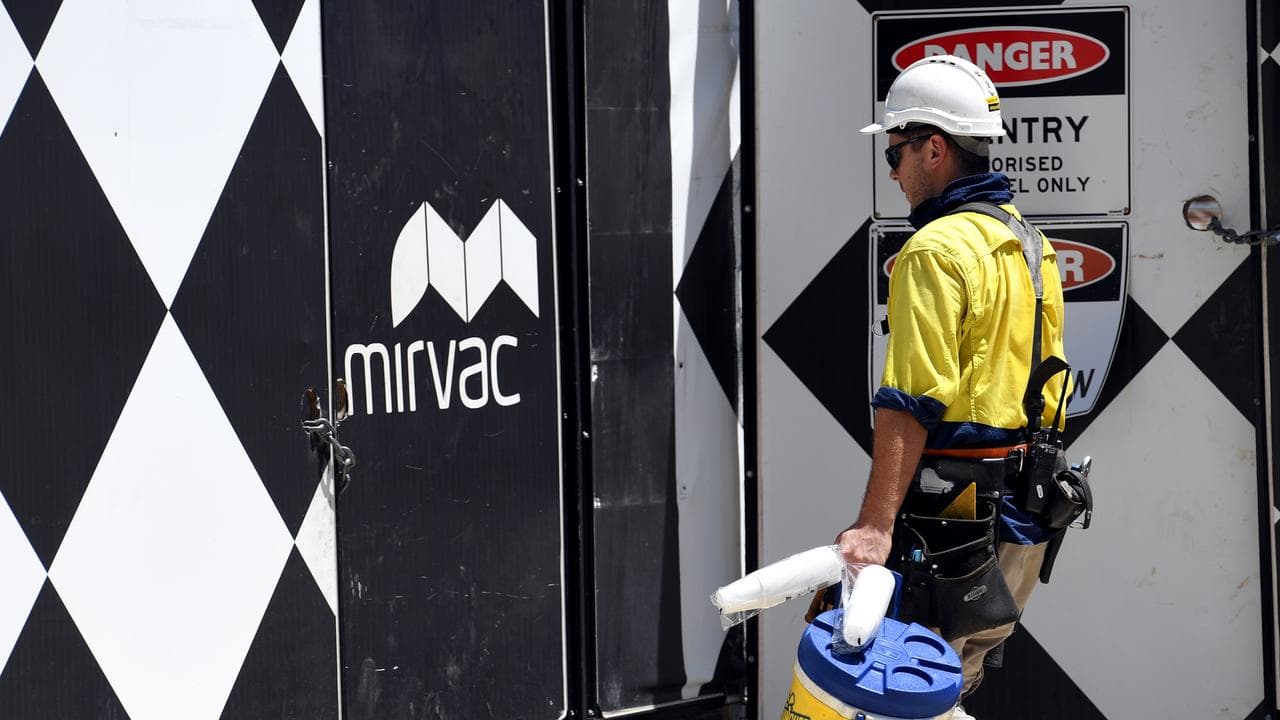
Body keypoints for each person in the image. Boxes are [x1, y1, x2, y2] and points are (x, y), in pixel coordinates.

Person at [838, 55, 1070, 719]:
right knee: (949, 694)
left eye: (897, 151)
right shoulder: (1029, 243)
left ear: (934, 148)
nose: (892, 169)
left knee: (895, 697)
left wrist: (874, 528)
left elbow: (911, 402)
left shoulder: (934, 251)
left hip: (953, 531)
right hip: (1022, 525)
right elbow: (1050, 389)